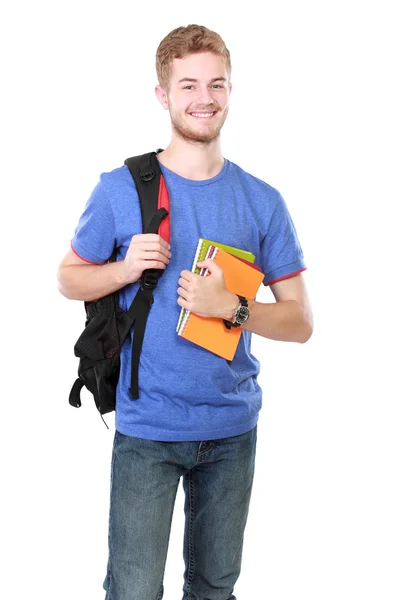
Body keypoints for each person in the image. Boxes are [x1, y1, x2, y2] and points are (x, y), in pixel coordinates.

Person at [57, 23, 313, 600]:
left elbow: (300, 322)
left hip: (232, 430)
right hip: (148, 427)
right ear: (162, 94)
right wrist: (123, 270)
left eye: (217, 84)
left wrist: (236, 308)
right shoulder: (120, 188)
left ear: (231, 90)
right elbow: (68, 278)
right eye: (189, 85)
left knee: (215, 588)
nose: (205, 99)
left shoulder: (262, 200)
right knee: (134, 590)